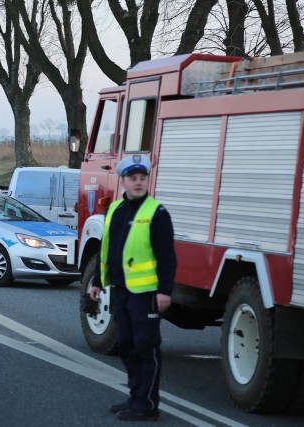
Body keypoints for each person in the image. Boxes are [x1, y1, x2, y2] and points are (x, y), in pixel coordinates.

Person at [88, 154, 176, 422]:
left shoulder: (156, 213)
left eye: (142, 178)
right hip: (121, 290)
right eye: (133, 178)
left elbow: (167, 256)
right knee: (126, 345)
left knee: (145, 347)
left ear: (148, 180)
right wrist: (98, 281)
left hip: (146, 293)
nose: (138, 183)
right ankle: (136, 397)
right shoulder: (115, 209)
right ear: (123, 181)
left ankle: (147, 405)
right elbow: (107, 251)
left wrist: (164, 290)